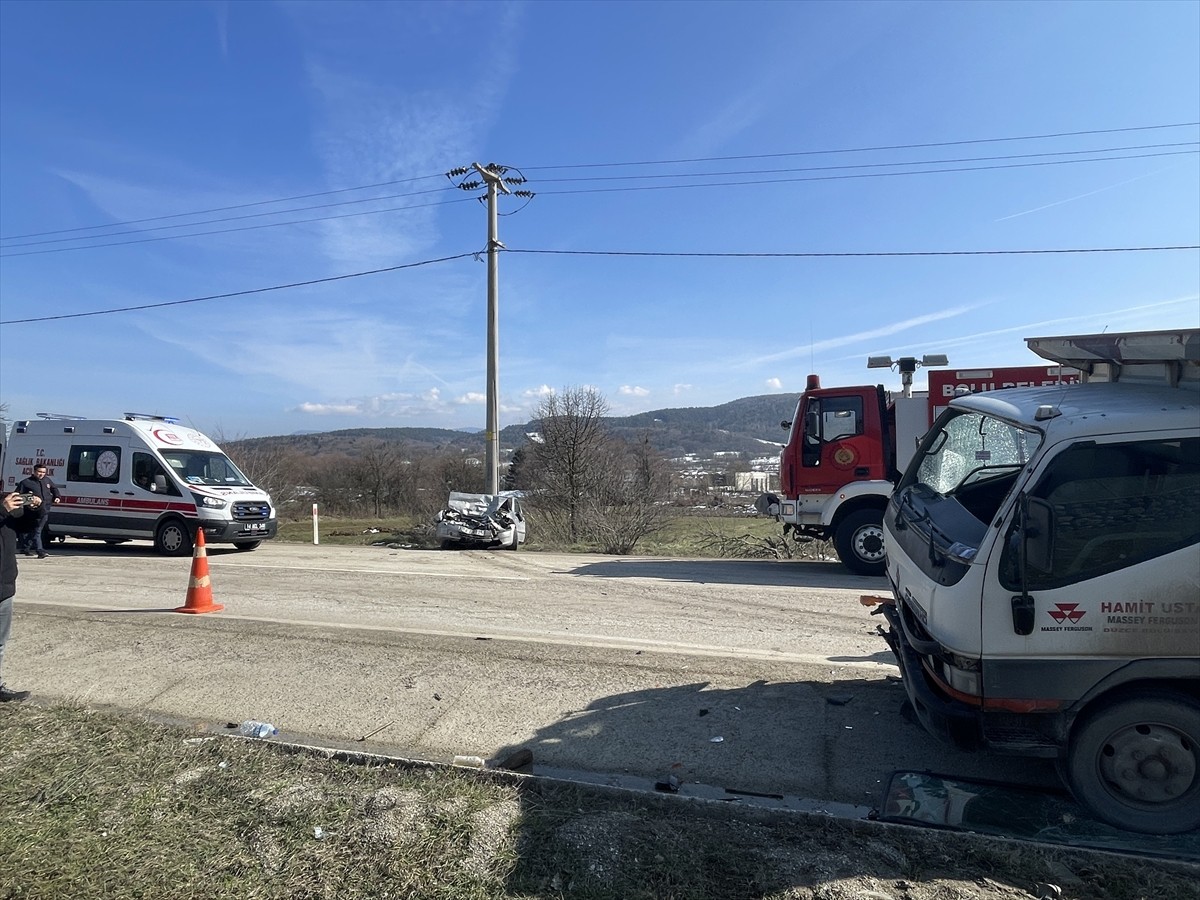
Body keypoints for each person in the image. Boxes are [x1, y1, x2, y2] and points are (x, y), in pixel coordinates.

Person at [1, 490, 36, 702]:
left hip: (4, 586)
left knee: (0, 642)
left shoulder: (5, 501)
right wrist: (2, 510)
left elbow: (27, 528)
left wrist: (35, 509)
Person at [17, 464, 62, 559]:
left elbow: (54, 489)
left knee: (36, 530)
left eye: (43, 472)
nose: (41, 474)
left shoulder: (47, 480)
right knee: (36, 530)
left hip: (44, 510)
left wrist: (57, 497)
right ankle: (40, 551)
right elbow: (18, 496)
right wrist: (30, 500)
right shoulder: (26, 483)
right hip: (31, 512)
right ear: (34, 472)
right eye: (39, 472)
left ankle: (26, 547)